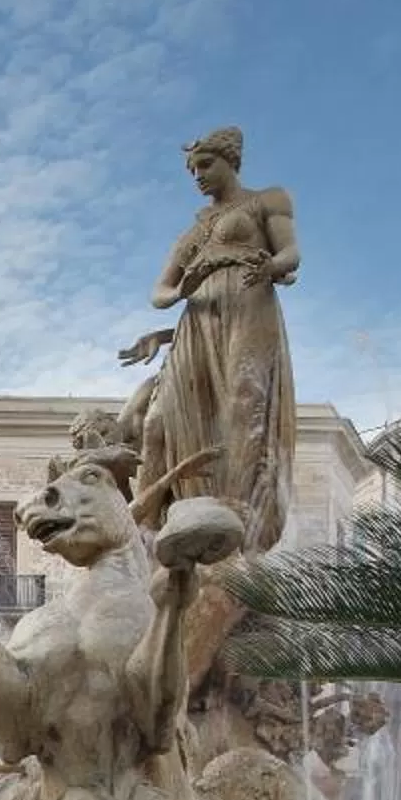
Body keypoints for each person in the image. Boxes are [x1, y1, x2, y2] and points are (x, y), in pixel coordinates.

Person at [118, 125, 299, 556]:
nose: (197, 175)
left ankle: (234, 513)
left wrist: (272, 267)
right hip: (195, 326)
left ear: (230, 160)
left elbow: (291, 254)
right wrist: (183, 290)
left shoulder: (267, 200)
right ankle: (143, 527)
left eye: (205, 164)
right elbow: (159, 292)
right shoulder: (192, 233)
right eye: (191, 169)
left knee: (244, 403)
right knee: (158, 421)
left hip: (248, 311)